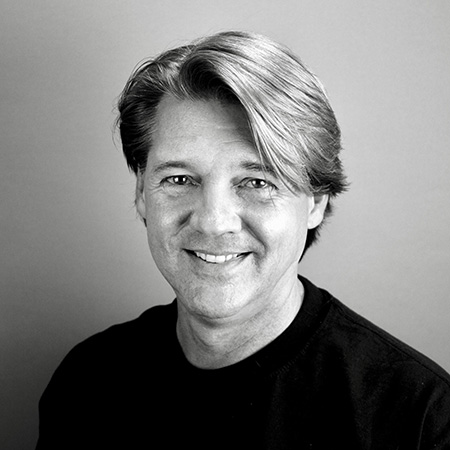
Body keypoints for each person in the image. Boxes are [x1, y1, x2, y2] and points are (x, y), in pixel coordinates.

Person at [36, 31, 450, 449]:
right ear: (142, 192)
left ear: (316, 202)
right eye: (179, 179)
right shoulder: (86, 383)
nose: (213, 222)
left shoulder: (420, 418)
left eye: (257, 182)